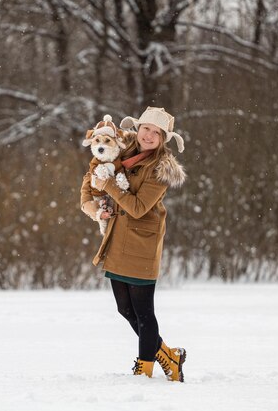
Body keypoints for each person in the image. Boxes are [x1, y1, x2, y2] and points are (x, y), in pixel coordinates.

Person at [80, 106, 188, 380]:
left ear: (164, 138)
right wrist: (94, 205)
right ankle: (168, 356)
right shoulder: (122, 148)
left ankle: (145, 368)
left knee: (143, 312)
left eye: (156, 132)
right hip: (117, 238)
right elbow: (91, 176)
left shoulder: (161, 168)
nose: (149, 135)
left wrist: (109, 187)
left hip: (142, 243)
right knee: (124, 308)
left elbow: (139, 207)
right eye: (146, 129)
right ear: (137, 129)